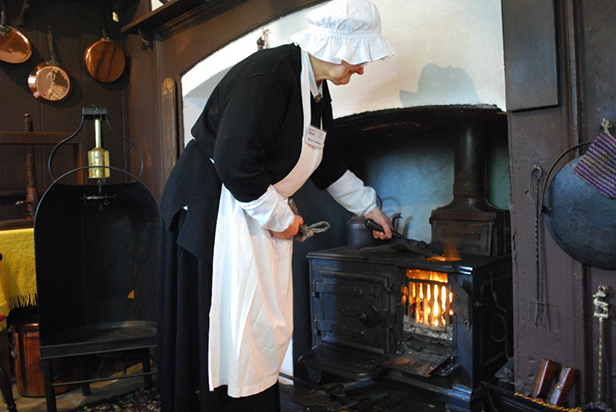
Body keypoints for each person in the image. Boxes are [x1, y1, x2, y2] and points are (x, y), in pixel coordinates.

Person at [157, 0, 395, 410]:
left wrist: (369, 207)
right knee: (219, 331)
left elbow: (327, 163)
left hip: (250, 205)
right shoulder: (271, 75)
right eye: (360, 59)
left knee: (256, 327)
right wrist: (282, 218)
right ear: (338, 46)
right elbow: (235, 160)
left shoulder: (316, 92)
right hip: (211, 208)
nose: (361, 68)